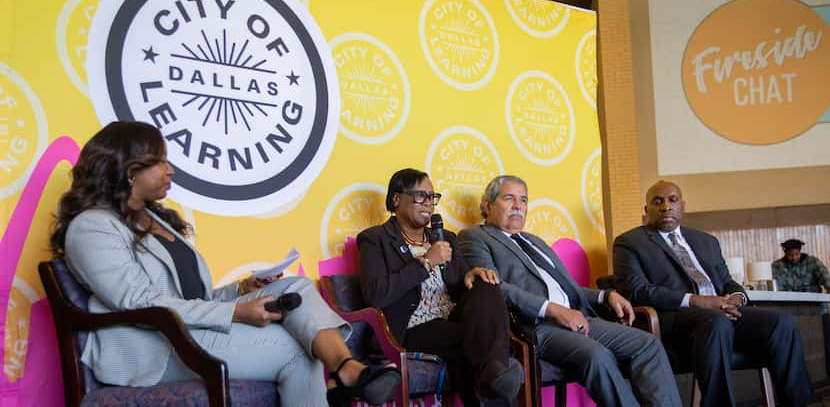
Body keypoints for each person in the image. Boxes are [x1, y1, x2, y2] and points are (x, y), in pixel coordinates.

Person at [50, 121, 400, 407]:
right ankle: (345, 374)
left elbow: (192, 296)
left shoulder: (160, 222)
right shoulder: (91, 226)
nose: (170, 170)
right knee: (294, 350)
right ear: (129, 170)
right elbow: (138, 302)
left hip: (189, 332)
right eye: (160, 161)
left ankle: (345, 367)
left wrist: (240, 291)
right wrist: (236, 312)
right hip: (155, 348)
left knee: (296, 286)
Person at [458, 175, 681, 407]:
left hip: (577, 317)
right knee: (597, 356)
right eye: (509, 198)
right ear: (487, 205)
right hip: (535, 325)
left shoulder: (534, 241)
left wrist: (606, 295)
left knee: (648, 344)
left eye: (523, 200)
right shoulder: (474, 237)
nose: (518, 206)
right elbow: (493, 288)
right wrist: (553, 310)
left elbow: (568, 288)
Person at [613, 180, 813, 407]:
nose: (666, 206)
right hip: (675, 317)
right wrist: (699, 301)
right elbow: (636, 290)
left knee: (782, 322)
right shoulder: (630, 242)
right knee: (716, 322)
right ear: (646, 209)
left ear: (683, 206)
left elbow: (728, 282)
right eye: (657, 201)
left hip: (722, 312)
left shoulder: (705, 241)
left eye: (672, 200)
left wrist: (736, 299)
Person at [357, 168, 523, 405]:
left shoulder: (444, 237)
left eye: (432, 197)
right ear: (396, 199)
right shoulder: (375, 239)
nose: (428, 204)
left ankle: (494, 372)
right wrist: (425, 263)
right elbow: (376, 295)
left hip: (451, 318)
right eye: (420, 196)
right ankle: (496, 373)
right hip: (412, 326)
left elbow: (459, 283)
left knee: (487, 284)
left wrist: (472, 275)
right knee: (475, 344)